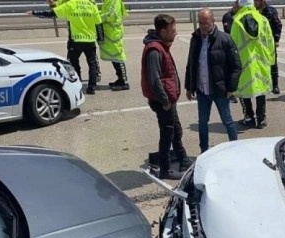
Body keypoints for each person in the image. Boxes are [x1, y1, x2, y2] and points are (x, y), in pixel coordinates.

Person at [185, 8, 242, 153]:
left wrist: (231, 88)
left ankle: (235, 148)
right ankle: (204, 151)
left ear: (213, 20)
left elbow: (236, 66)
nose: (203, 26)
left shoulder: (225, 39)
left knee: (227, 121)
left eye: (206, 22)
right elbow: (191, 64)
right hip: (202, 89)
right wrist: (189, 87)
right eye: (201, 23)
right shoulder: (195, 39)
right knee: (202, 123)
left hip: (220, 90)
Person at [141, 14, 189, 180]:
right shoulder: (155, 50)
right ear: (162, 31)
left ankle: (182, 159)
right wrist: (165, 101)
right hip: (163, 102)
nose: (175, 33)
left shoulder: (162, 46)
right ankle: (165, 169)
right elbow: (154, 80)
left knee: (176, 130)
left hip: (168, 99)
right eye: (172, 30)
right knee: (167, 134)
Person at [28, 0, 102, 94]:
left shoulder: (71, 4)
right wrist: (100, 39)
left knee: (73, 64)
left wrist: (34, 13)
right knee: (92, 64)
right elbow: (98, 23)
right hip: (90, 40)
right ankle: (92, 87)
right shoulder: (92, 5)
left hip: (75, 40)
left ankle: (77, 85)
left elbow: (52, 14)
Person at [230, 0, 275, 129]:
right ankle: (261, 119)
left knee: (243, 91)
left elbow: (232, 45)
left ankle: (249, 117)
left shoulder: (237, 21)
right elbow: (270, 41)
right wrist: (271, 60)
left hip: (244, 63)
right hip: (262, 62)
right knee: (261, 90)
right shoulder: (263, 20)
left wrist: (232, 64)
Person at [100, 0, 130, 91]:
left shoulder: (114, 1)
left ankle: (123, 82)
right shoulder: (107, 1)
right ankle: (120, 79)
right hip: (110, 33)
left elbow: (111, 15)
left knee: (118, 57)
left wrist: (97, 17)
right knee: (114, 57)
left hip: (114, 33)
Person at [255, 0, 282, 95]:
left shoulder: (271, 11)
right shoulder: (253, 11)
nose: (255, 2)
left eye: (257, 1)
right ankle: (261, 83)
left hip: (269, 42)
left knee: (273, 63)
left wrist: (276, 40)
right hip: (257, 43)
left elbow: (278, 25)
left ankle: (275, 85)